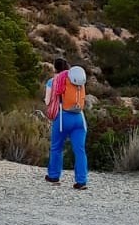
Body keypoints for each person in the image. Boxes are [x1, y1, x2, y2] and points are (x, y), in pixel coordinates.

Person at [44, 57, 88, 190]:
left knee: (56, 147)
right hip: (80, 118)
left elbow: (47, 101)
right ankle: (81, 181)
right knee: (80, 150)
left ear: (55, 68)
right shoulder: (77, 81)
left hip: (63, 118)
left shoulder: (53, 81)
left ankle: (54, 176)